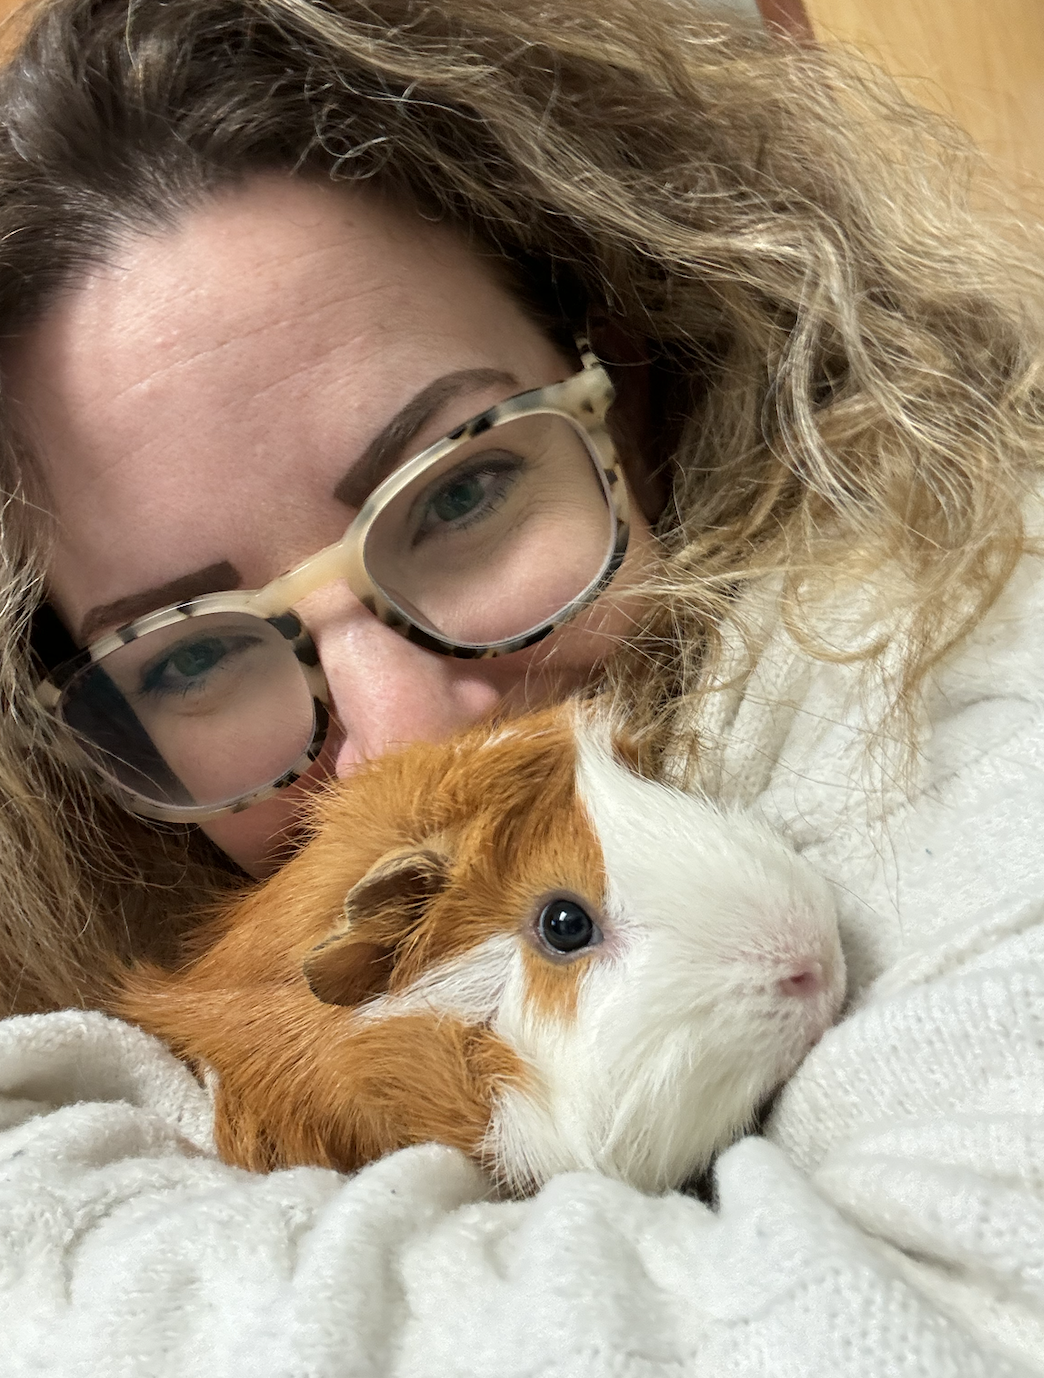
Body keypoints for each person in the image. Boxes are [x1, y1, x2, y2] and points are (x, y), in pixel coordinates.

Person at [0, 0, 1043, 1372]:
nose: (407, 730)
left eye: (464, 486)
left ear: (636, 370)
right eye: (188, 652)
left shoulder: (955, 630)